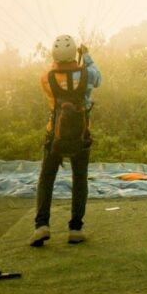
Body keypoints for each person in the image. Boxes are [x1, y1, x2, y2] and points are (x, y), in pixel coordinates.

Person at [31, 34, 103, 247]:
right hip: (81, 135)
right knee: (79, 179)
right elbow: (98, 78)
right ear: (74, 53)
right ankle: (75, 229)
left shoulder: (46, 77)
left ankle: (41, 225)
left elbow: (55, 86)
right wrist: (86, 57)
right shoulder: (86, 73)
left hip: (55, 135)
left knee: (46, 178)